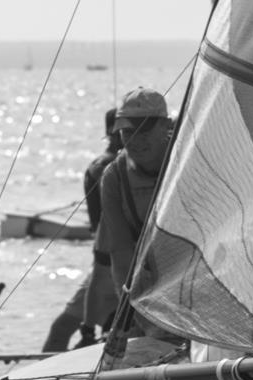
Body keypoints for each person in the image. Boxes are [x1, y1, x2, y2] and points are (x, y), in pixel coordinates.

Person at [41, 108, 120, 352]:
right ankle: (52, 379)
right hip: (109, 263)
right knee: (65, 329)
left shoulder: (104, 166)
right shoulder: (108, 167)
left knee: (64, 329)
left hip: (114, 265)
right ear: (112, 133)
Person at [94, 85, 172, 301]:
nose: (136, 140)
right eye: (128, 131)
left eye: (144, 130)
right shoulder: (113, 177)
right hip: (148, 279)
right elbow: (120, 251)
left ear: (166, 125)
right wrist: (128, 305)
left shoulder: (188, 160)